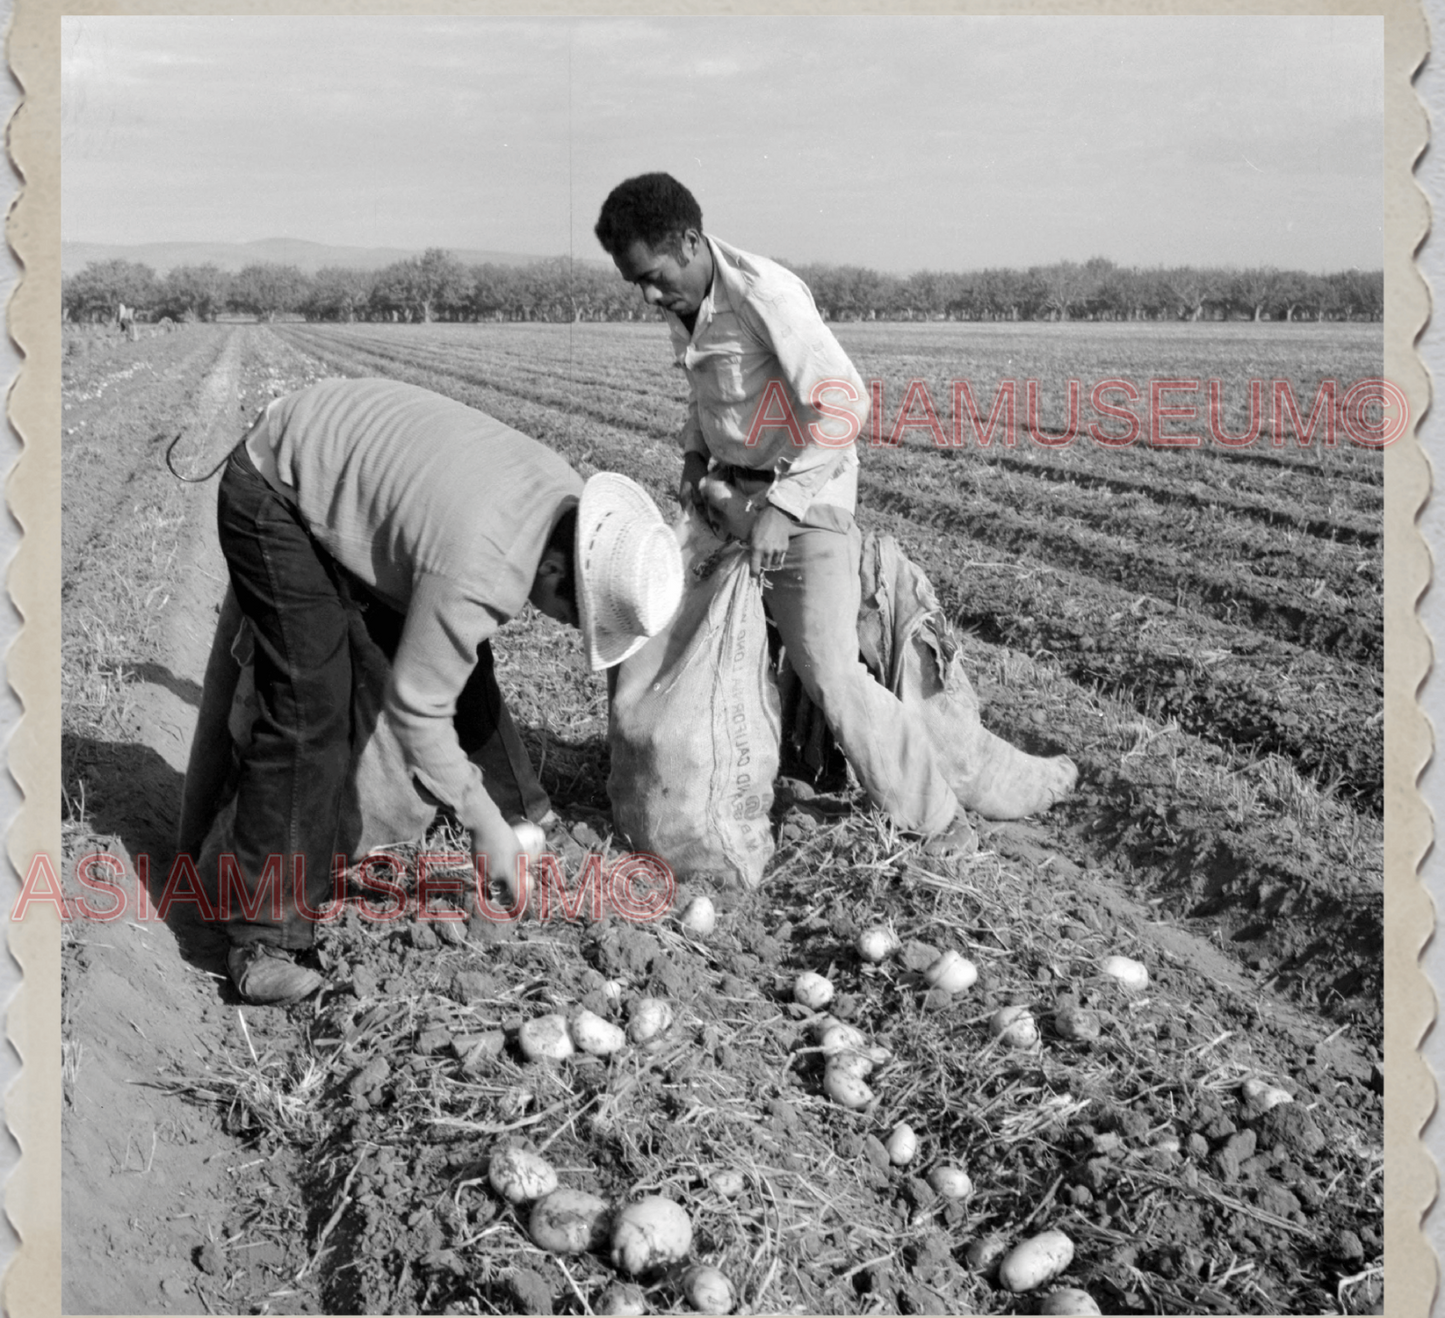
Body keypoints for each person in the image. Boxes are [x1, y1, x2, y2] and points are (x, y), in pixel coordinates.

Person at [595, 173, 1076, 860]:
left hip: (803, 499)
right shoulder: (688, 301)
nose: (647, 295)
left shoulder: (766, 297)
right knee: (674, 636)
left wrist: (782, 511)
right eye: (633, 283)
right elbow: (711, 395)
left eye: (651, 277)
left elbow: (845, 405)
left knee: (828, 669)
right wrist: (695, 457)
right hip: (734, 495)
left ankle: (939, 823)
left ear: (689, 242)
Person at [187, 376, 683, 1004]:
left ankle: (528, 811)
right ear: (559, 568)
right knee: (310, 707)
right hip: (276, 488)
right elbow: (416, 713)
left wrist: (511, 818)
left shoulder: (561, 500)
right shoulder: (482, 565)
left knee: (461, 661)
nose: (561, 627)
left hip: (352, 467)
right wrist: (480, 822)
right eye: (572, 617)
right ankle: (263, 938)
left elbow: (454, 662)